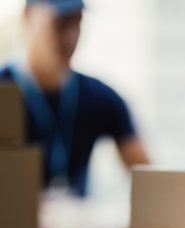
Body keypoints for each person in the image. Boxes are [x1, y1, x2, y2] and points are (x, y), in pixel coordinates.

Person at [0, 0, 149, 196]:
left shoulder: (99, 97)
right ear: (28, 16)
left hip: (74, 221)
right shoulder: (5, 91)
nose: (70, 38)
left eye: (77, 23)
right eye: (60, 23)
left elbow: (148, 177)